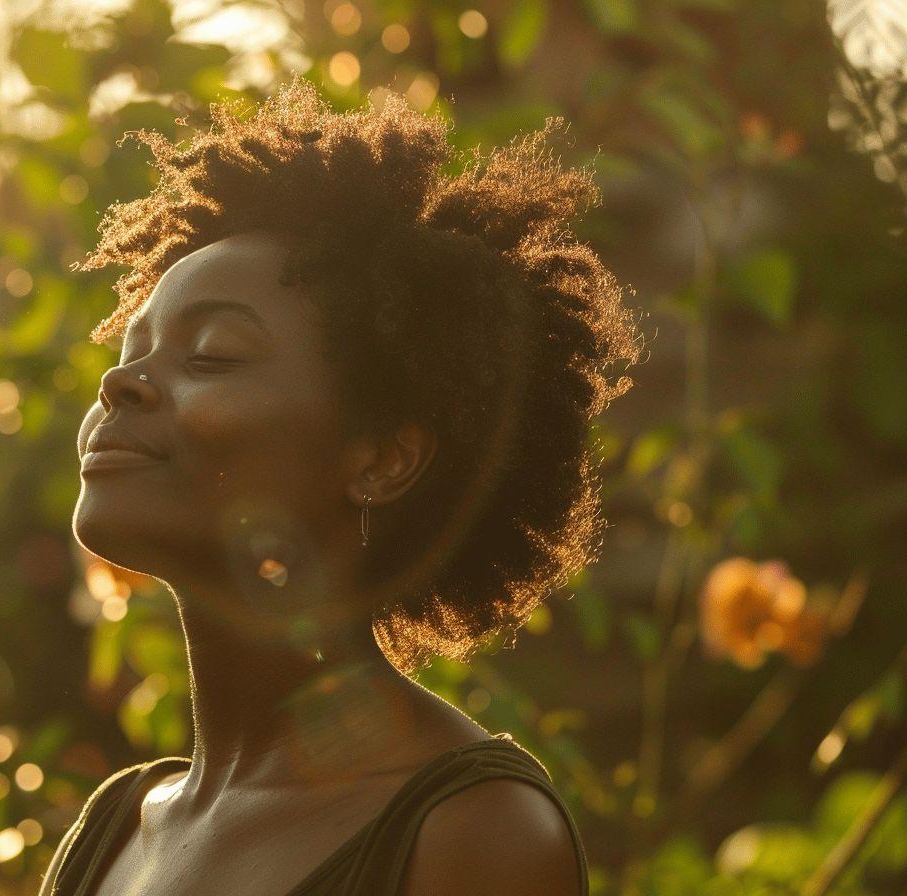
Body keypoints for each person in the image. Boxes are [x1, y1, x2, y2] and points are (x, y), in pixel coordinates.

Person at [42, 77, 642, 895]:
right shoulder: (115, 829)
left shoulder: (472, 835)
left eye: (211, 354)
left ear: (381, 461)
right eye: (128, 353)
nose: (123, 386)